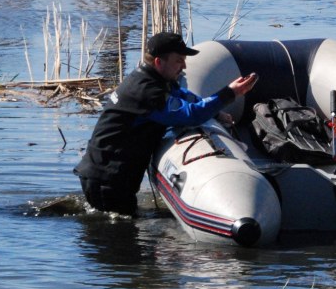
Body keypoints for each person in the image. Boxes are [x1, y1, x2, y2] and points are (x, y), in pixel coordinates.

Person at [75, 31, 259, 216]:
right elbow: (190, 115)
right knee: (120, 236)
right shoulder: (147, 92)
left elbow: (186, 97)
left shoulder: (156, 80)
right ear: (159, 62)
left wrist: (216, 112)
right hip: (107, 178)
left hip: (111, 177)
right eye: (179, 60)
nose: (184, 65)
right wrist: (229, 93)